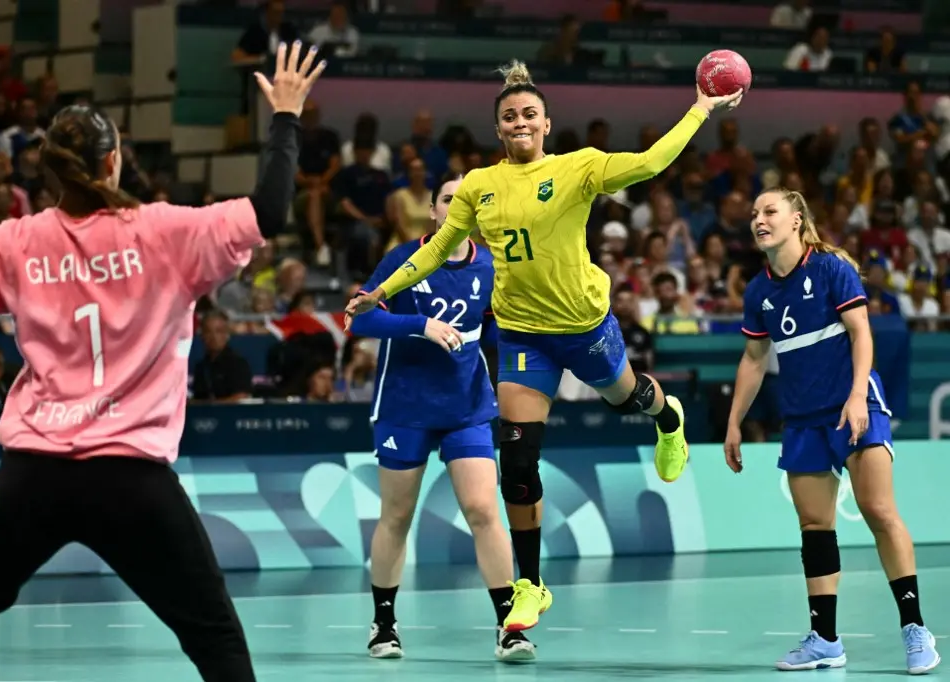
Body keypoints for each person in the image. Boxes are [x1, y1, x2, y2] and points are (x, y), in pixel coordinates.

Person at [0, 43, 326, 681]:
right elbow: (269, 210)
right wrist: (286, 118)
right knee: (214, 638)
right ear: (114, 160)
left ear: (50, 172)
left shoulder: (11, 243)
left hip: (31, 477)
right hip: (129, 478)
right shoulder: (163, 231)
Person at [345, 59, 743, 633]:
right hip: (522, 333)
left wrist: (701, 109)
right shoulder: (479, 185)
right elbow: (435, 249)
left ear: (546, 123)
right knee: (517, 457)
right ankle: (529, 585)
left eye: (529, 113)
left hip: (583, 324)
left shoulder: (579, 167)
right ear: (499, 128)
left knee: (626, 397)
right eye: (510, 116)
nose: (520, 122)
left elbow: (651, 162)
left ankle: (667, 416)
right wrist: (380, 292)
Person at [724, 187, 941, 676]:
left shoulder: (830, 268)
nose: (759, 219)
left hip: (852, 405)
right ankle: (825, 639)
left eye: (770, 211)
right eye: (755, 213)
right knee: (814, 527)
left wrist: (858, 395)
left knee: (879, 510)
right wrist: (734, 421)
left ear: (796, 220)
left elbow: (861, 332)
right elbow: (754, 359)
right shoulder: (758, 292)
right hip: (803, 418)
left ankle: (915, 628)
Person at [349, 171, 532, 662]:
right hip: (405, 407)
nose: (456, 206)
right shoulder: (402, 260)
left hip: (466, 408)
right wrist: (421, 325)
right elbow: (361, 317)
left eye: (465, 199)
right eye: (448, 199)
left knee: (483, 510)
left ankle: (509, 627)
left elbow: (493, 331)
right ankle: (383, 624)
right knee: (397, 516)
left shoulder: (490, 266)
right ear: (433, 211)